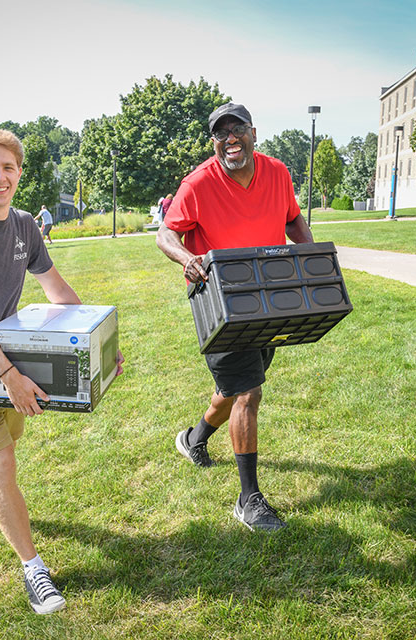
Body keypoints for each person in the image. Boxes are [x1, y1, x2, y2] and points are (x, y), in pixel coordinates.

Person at [0, 129, 121, 615]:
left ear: (19, 174)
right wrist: (10, 374)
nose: (0, 176)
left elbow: (57, 290)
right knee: (2, 461)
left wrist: (100, 346)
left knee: (1, 446)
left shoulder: (24, 226)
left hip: (13, 353)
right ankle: (34, 569)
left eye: (8, 168)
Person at [156, 102, 314, 532]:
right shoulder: (198, 183)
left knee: (236, 384)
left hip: (265, 297)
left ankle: (193, 440)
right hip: (218, 300)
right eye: (221, 133)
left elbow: (294, 221)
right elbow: (166, 233)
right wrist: (187, 258)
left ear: (253, 132)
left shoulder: (278, 172)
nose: (230, 138)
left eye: (237, 129)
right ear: (214, 141)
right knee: (249, 392)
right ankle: (249, 499)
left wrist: (308, 258)